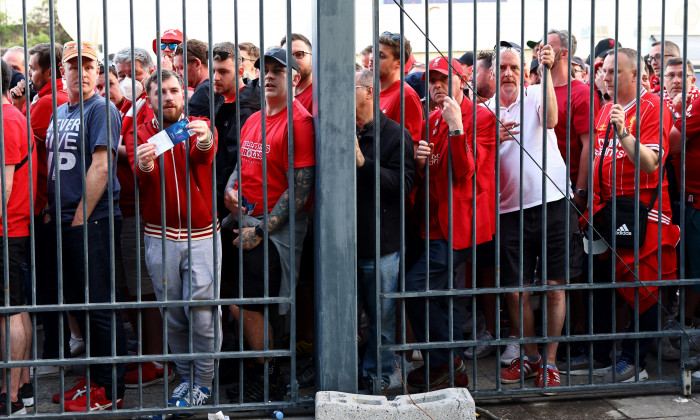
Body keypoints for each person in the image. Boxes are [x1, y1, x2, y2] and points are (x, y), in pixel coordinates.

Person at [223, 48, 314, 402]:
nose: (271, 76)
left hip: (270, 232)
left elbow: (300, 190)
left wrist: (260, 231)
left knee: (253, 307)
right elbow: (240, 164)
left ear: (294, 78)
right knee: (242, 304)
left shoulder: (300, 123)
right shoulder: (254, 119)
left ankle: (272, 381)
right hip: (242, 221)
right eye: (266, 70)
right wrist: (229, 189)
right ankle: (263, 374)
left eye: (280, 70)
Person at [487, 43, 578, 389]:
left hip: (553, 202)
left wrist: (547, 71)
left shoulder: (539, 91)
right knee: (517, 292)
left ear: (525, 71)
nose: (508, 74)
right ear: (492, 75)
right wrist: (489, 139)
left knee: (555, 287)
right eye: (502, 68)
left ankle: (550, 363)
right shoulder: (485, 111)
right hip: (508, 210)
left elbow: (552, 121)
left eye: (514, 67)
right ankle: (530, 357)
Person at [584, 48, 678, 383]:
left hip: (642, 212)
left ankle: (634, 362)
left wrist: (624, 133)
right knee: (613, 285)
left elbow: (651, 163)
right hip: (607, 210)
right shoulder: (606, 107)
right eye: (604, 71)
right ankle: (610, 354)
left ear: (636, 74)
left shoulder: (653, 106)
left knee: (644, 286)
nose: (606, 78)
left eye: (614, 72)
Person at [46, 40, 127, 412]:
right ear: (62, 73)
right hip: (64, 220)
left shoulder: (102, 108)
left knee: (100, 305)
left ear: (98, 72)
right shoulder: (60, 110)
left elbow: (101, 166)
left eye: (88, 66)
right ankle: (95, 379)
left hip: (92, 219)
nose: (80, 72)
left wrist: (80, 214)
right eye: (72, 66)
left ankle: (111, 389)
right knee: (82, 302)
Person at [134, 69, 219, 407]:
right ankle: (186, 378)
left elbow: (203, 158)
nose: (168, 97)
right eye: (160, 93)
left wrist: (204, 139)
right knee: (172, 314)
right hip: (159, 234)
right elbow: (147, 184)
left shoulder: (199, 125)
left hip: (201, 234)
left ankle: (205, 382)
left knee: (201, 314)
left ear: (184, 95)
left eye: (173, 91)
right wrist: (145, 165)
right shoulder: (140, 132)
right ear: (150, 98)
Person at [406, 56, 487, 391]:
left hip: (456, 226)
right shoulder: (431, 118)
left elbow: (465, 172)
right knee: (440, 296)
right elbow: (431, 174)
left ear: (462, 80)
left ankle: (444, 361)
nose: (436, 85)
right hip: (430, 224)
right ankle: (451, 369)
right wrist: (420, 164)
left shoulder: (478, 116)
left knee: (414, 288)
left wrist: (456, 127)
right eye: (432, 80)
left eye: (443, 79)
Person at [354, 69, 415, 391]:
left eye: (349, 88)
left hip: (382, 246)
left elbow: (403, 184)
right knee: (347, 319)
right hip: (345, 246)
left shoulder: (395, 134)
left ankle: (382, 375)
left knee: (383, 321)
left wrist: (364, 163)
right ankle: (349, 374)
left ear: (367, 93)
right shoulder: (341, 130)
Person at [0, 59, 36, 416]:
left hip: (6, 228)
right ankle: (20, 387)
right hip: (12, 228)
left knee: (9, 312)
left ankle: (9, 398)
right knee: (15, 308)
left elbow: (4, 189)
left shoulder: (8, 119)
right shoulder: (12, 117)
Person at [375, 31, 423, 150]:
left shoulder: (406, 95)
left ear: (399, 63)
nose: (373, 59)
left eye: (381, 56)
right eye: (374, 53)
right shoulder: (373, 92)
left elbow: (410, 149)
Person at [172, 39, 223, 118]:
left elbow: (187, 126)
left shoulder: (204, 89)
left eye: (181, 68)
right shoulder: (212, 86)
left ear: (197, 64)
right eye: (175, 68)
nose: (177, 74)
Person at [281, 34, 313, 114]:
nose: (292, 61)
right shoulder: (280, 95)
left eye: (299, 54)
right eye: (286, 57)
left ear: (312, 57)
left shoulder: (321, 94)